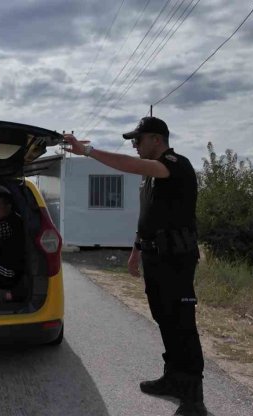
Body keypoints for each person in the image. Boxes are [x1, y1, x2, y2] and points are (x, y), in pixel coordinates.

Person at [64, 117, 206, 416]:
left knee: (182, 323)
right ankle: (172, 379)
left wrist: (88, 152)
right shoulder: (152, 178)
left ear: (156, 139)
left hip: (176, 259)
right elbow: (149, 217)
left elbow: (129, 165)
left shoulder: (174, 164)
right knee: (164, 317)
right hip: (155, 256)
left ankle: (194, 398)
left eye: (137, 141)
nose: (134, 146)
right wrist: (135, 251)